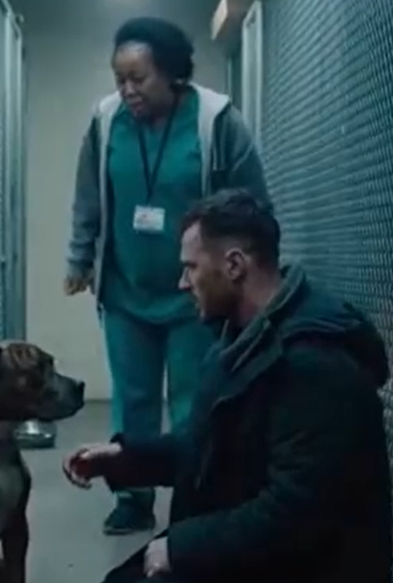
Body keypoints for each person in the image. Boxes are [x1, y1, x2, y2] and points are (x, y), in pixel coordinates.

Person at [63, 189, 392, 583]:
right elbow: (209, 445)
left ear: (234, 265)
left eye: (191, 268)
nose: (183, 283)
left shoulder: (316, 365)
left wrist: (181, 548)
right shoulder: (244, 340)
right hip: (256, 550)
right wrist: (125, 458)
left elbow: (297, 512)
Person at [64, 16, 269, 535]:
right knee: (132, 398)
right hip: (126, 289)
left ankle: (196, 495)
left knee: (192, 399)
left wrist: (249, 274)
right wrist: (78, 258)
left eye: (139, 78)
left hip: (194, 295)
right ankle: (131, 497)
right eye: (120, 79)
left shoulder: (216, 120)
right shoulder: (106, 122)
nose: (127, 90)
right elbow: (89, 194)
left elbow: (253, 203)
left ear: (173, 73)